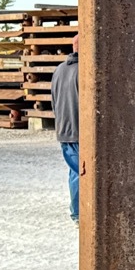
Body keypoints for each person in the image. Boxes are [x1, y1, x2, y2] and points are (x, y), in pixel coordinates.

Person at [50, 42, 81, 222]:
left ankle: (77, 211)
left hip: (64, 129)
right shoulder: (85, 71)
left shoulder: (59, 69)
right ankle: (78, 213)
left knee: (74, 171)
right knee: (80, 172)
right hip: (79, 130)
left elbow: (53, 100)